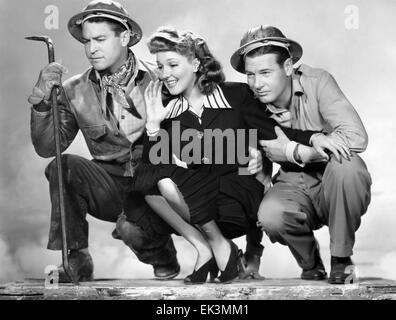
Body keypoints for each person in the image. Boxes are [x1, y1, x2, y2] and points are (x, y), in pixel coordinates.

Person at [139, 27, 338, 283]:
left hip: (238, 202)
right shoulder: (171, 111)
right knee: (152, 188)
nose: (165, 74)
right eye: (160, 67)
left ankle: (219, 246)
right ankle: (208, 247)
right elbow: (150, 172)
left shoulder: (236, 95)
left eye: (172, 65)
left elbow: (274, 132)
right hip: (201, 205)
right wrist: (154, 124)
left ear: (196, 63)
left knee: (178, 182)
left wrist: (314, 137)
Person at [28, 0, 181, 282]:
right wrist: (40, 101)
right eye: (86, 41)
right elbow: (48, 147)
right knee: (62, 165)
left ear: (124, 37)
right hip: (112, 185)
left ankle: (163, 254)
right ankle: (77, 258)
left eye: (100, 39)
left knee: (131, 229)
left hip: (160, 184)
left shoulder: (162, 78)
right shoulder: (74, 89)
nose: (91, 49)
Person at [230, 25, 372, 284]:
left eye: (265, 72)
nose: (257, 84)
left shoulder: (318, 82)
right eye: (250, 75)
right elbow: (255, 179)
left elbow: (356, 137)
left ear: (287, 67)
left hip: (333, 177)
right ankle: (310, 263)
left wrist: (297, 152)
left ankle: (341, 259)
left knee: (349, 167)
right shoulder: (249, 106)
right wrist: (253, 252)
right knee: (270, 214)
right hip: (291, 184)